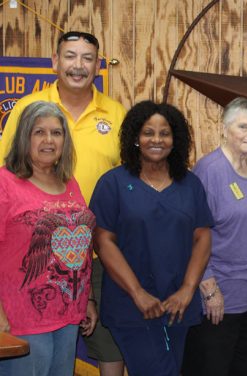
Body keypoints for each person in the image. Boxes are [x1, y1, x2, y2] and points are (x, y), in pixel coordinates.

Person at [0, 31, 127, 376]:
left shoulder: (115, 115)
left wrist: (85, 294)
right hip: (24, 284)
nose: (78, 65)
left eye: (87, 58)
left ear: (98, 66)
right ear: (55, 61)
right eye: (70, 56)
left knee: (97, 349)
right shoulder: (26, 109)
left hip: (88, 266)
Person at [90, 101, 212, 376]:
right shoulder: (113, 184)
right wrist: (138, 293)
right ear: (135, 137)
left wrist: (188, 290)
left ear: (175, 139)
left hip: (178, 306)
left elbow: (203, 237)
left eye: (164, 133)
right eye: (148, 132)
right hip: (131, 307)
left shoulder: (190, 185)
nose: (156, 139)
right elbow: (103, 241)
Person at [0, 101, 97, 375]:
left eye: (56, 133)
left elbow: (81, 246)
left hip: (67, 313)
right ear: (23, 138)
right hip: (21, 318)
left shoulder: (69, 183)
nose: (48, 140)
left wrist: (88, 298)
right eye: (39, 132)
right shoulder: (5, 182)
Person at [182, 97, 247, 375]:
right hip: (219, 300)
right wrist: (210, 290)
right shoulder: (209, 171)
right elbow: (193, 235)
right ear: (224, 129)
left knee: (246, 369)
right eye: (243, 126)